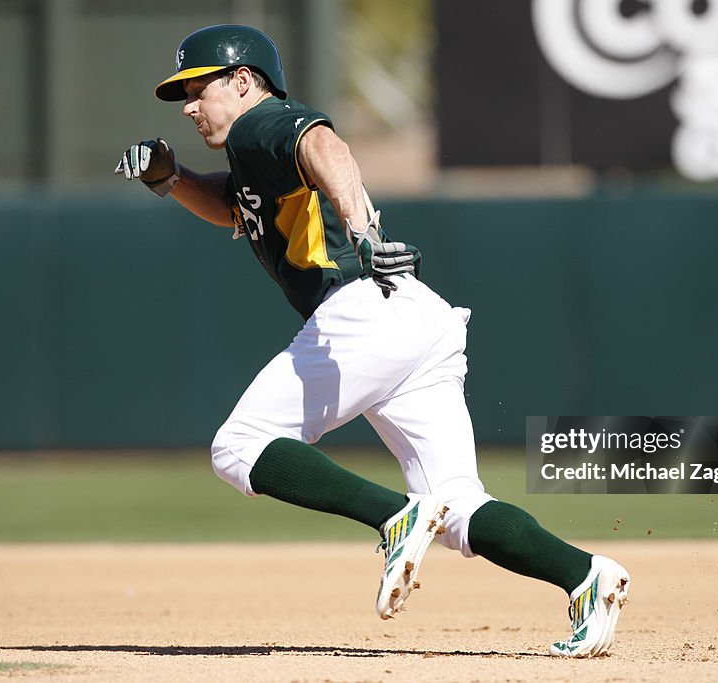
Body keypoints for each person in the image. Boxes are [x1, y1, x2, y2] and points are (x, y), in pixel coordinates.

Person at [116, 24, 629, 657]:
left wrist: (362, 231)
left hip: (361, 309)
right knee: (457, 505)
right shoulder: (251, 159)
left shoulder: (260, 123)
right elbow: (235, 205)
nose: (189, 106)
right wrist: (172, 179)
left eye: (198, 88)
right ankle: (584, 575)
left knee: (239, 444)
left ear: (243, 82)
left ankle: (393, 518)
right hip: (415, 316)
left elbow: (322, 143)